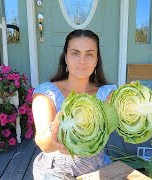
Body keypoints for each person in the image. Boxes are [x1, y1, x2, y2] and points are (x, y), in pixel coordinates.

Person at [32, 29, 117, 179]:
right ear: (65, 57)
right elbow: (43, 142)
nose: (82, 61)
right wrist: (59, 128)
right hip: (56, 170)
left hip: (97, 167)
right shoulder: (46, 93)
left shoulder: (106, 94)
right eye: (75, 53)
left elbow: (127, 118)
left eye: (89, 54)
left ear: (97, 60)